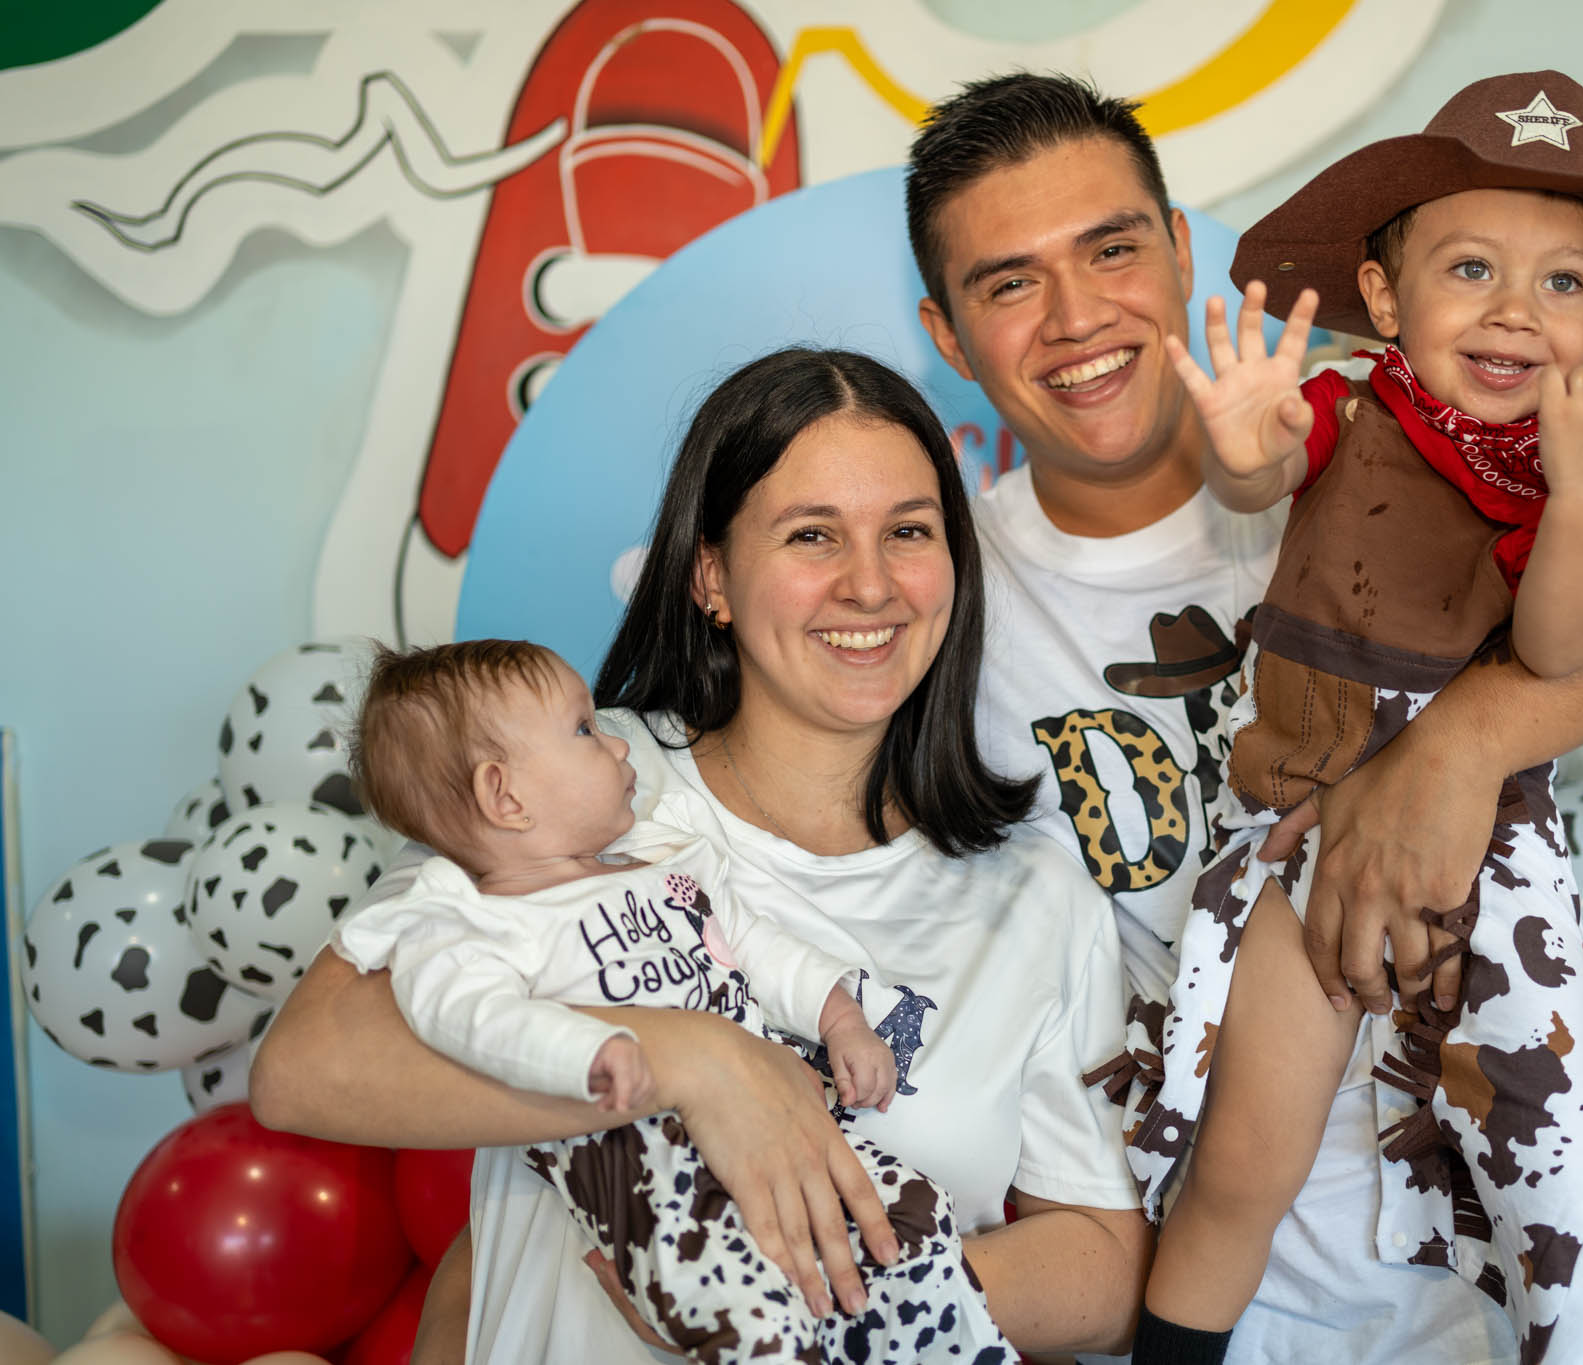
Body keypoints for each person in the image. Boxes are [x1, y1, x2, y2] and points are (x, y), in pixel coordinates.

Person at [907, 71, 1583, 1363]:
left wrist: (1459, 747)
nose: (1075, 316)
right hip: (1233, 1303)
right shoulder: (925, 593)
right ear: (948, 337)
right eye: (1008, 282)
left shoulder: (1453, 413)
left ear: (1179, 252)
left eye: (1111, 248)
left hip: (1522, 1303)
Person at [253, 348, 1149, 1363]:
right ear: (711, 575)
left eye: (907, 531)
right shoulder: (584, 782)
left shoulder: (1029, 889)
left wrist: (803, 1305)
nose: (869, 584)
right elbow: (304, 1069)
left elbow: (1108, 1270)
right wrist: (699, 1060)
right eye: (811, 535)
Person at [1130, 69, 1583, 1363]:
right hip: (1304, 828)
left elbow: (1560, 651)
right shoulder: (1355, 403)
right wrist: (1242, 442)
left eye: (1564, 284)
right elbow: (1266, 467)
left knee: (1552, 1176)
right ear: (1381, 297)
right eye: (1470, 268)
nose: (1517, 311)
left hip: (1483, 851)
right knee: (1244, 1163)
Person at [336, 637, 1013, 1360]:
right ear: (506, 795)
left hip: (778, 1131)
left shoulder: (657, 860)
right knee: (755, 1320)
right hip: (649, 1174)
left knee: (916, 1219)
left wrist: (839, 1016)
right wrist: (596, 1054)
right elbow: (474, 1020)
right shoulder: (475, 923)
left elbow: (752, 944)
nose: (620, 749)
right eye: (584, 731)